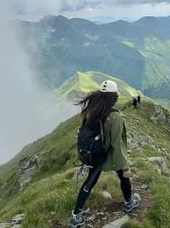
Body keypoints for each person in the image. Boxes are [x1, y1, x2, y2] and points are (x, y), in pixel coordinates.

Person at [68, 80, 139, 228]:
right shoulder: (115, 117)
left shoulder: (90, 110)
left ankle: (76, 215)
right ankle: (128, 202)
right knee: (124, 175)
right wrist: (125, 166)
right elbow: (117, 145)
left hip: (94, 154)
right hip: (107, 154)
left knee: (90, 181)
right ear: (113, 98)